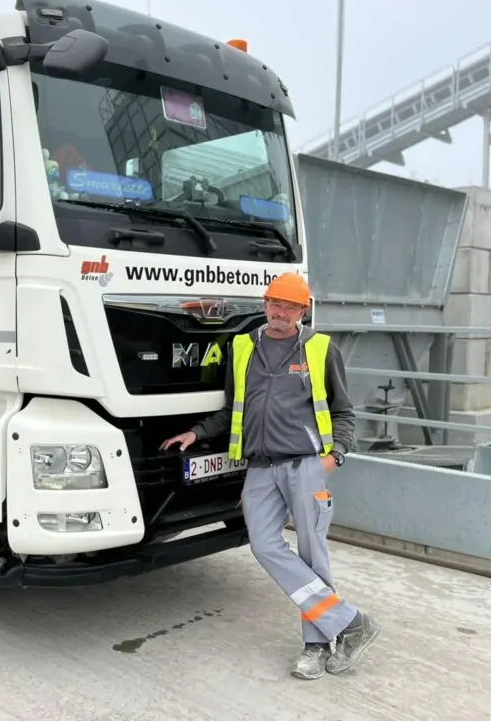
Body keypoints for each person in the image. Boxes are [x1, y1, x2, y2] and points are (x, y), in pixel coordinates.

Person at [160, 272, 381, 680]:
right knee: (263, 545)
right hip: (260, 467)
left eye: (290, 307)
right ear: (265, 304)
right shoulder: (243, 346)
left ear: (303, 311)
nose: (281, 312)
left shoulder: (320, 348)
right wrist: (197, 432)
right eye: (275, 304)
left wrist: (335, 457)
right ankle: (350, 622)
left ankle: (316, 646)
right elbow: (233, 408)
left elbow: (343, 411)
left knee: (312, 555)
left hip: (305, 465)